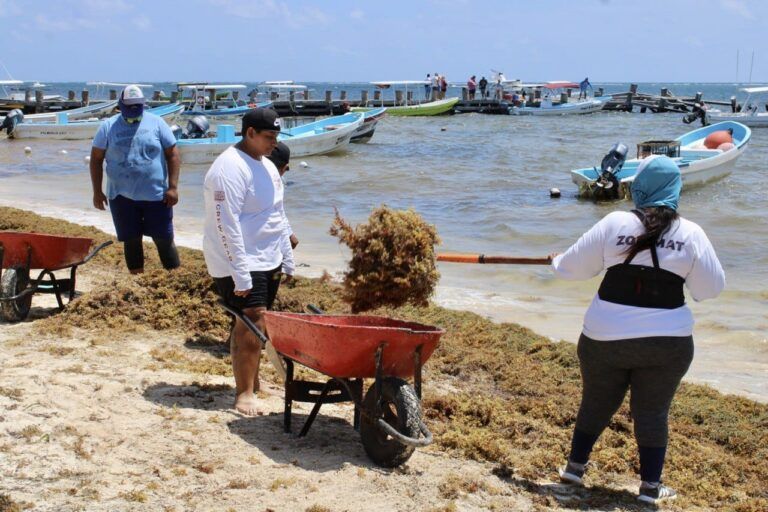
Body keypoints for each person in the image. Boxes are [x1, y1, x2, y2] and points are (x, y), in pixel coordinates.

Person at [550, 155, 725, 505]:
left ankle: (574, 470)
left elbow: (570, 269)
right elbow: (710, 290)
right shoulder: (692, 234)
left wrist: (556, 259)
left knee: (596, 402)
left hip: (603, 340)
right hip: (667, 346)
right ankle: (649, 488)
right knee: (652, 412)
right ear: (676, 190)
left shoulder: (614, 222)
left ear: (638, 187)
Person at [202, 108, 289, 416]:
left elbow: (276, 213)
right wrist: (240, 274)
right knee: (250, 321)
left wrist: (286, 257)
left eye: (277, 137)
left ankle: (253, 379)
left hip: (267, 258)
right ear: (250, 132)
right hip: (236, 259)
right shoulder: (228, 169)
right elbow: (226, 225)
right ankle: (244, 393)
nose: (274, 144)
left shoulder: (266, 165)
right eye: (269, 137)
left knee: (259, 323)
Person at [90, 85, 181, 274]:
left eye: (137, 106)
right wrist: (97, 191)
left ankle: (174, 278)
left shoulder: (157, 123)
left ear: (144, 105)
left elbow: (172, 154)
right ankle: (137, 280)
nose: (133, 109)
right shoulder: (108, 127)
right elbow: (96, 159)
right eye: (129, 106)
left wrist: (173, 187)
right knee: (131, 239)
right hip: (121, 196)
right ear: (120, 105)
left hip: (156, 196)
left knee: (163, 238)